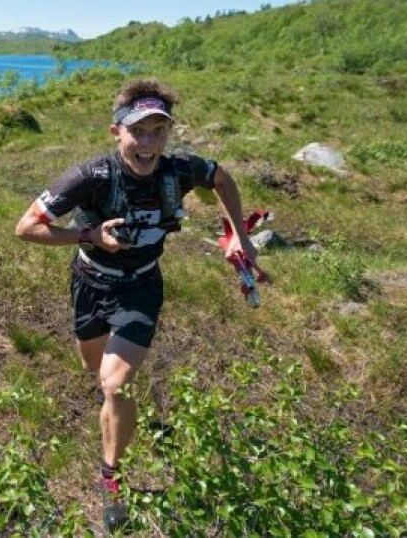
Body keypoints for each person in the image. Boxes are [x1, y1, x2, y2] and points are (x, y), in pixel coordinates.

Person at [14, 78, 258, 533]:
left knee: (115, 384)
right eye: (138, 132)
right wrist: (89, 235)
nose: (148, 143)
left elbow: (221, 177)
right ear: (116, 132)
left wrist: (240, 239)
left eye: (158, 131)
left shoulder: (180, 169)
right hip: (90, 283)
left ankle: (112, 481)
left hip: (142, 286)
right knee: (94, 369)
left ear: (168, 133)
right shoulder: (89, 176)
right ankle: (123, 403)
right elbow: (25, 227)